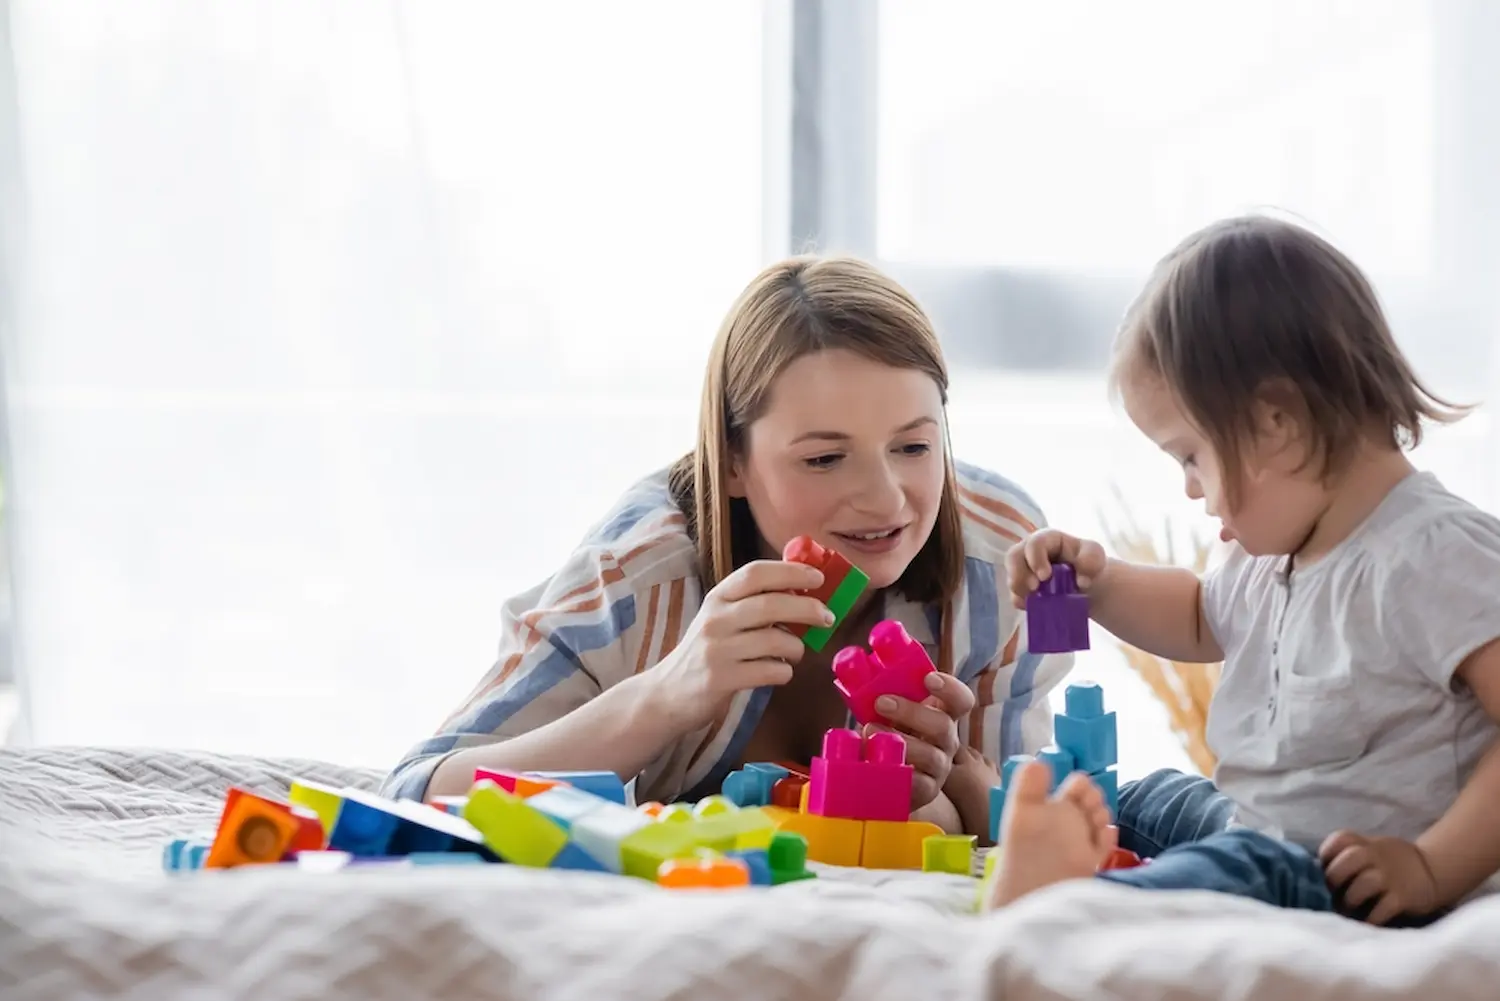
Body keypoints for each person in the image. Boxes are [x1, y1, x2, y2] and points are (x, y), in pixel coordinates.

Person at [382, 255, 1073, 835]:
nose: (887, 497)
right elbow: (418, 792)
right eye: (826, 458)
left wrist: (938, 786)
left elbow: (1028, 819)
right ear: (733, 460)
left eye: (914, 446)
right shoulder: (636, 574)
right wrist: (665, 695)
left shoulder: (1009, 557)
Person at [986, 214, 1500, 925]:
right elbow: (1199, 615)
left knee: (1239, 865)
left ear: (1276, 424)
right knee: (1148, 798)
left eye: (1191, 456)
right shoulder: (1275, 554)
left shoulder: (1433, 552)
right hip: (1255, 829)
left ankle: (1072, 917)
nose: (1191, 488)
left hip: (1343, 881)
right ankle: (1079, 871)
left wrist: (1433, 865)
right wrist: (1098, 587)